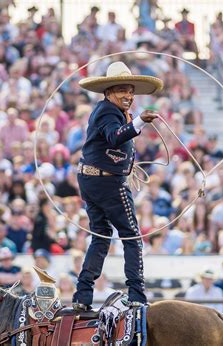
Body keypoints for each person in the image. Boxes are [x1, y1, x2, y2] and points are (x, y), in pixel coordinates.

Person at [72, 61, 163, 311]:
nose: (129, 95)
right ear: (109, 91)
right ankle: (136, 294)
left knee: (100, 237)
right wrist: (140, 122)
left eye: (131, 90)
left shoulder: (110, 111)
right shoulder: (107, 112)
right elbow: (115, 136)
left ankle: (83, 295)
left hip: (93, 180)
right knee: (132, 236)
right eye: (123, 90)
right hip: (108, 182)